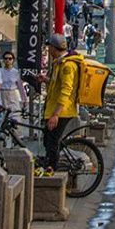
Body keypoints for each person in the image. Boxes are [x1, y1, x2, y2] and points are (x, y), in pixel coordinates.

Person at [41, 34, 78, 173]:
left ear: (53, 48)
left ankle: (52, 170)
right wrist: (45, 80)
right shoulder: (59, 63)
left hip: (62, 110)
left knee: (52, 143)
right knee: (49, 140)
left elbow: (66, 90)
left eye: (49, 47)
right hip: (54, 108)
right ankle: (50, 166)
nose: (48, 50)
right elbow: (57, 84)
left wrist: (55, 115)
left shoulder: (67, 66)